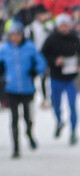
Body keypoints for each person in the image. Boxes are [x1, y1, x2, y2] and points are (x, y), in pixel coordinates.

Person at [0, 19, 46, 157]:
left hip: (27, 89)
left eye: (17, 34)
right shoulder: (4, 49)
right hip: (11, 88)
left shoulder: (30, 47)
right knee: (14, 119)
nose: (15, 37)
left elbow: (41, 62)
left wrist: (35, 71)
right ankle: (16, 147)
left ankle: (29, 134)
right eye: (12, 34)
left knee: (27, 117)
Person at [41, 12, 80, 144]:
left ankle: (74, 132)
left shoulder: (75, 38)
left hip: (72, 78)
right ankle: (59, 122)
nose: (64, 28)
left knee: (72, 105)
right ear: (57, 26)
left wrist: (79, 64)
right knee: (56, 104)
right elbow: (43, 55)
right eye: (61, 26)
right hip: (56, 77)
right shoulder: (51, 39)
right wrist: (54, 60)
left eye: (66, 25)